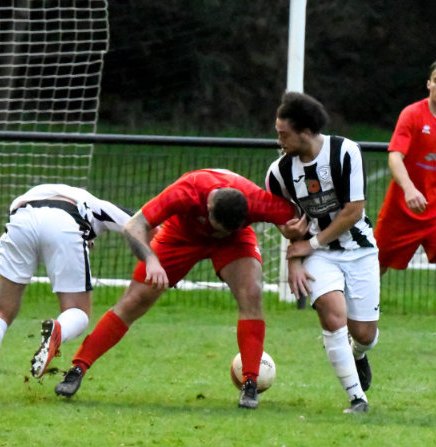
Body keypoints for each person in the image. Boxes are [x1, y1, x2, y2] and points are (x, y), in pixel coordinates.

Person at [53, 168, 304, 409]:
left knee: (251, 294)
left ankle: (250, 384)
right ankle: (77, 368)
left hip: (235, 241)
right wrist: (151, 260)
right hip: (182, 236)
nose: (217, 234)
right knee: (134, 301)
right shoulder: (187, 191)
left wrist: (293, 255)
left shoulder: (256, 201)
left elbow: (298, 218)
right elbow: (133, 226)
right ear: (207, 207)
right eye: (217, 228)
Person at [0, 184, 133, 399]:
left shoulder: (32, 202)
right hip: (66, 222)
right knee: (78, 311)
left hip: (21, 221)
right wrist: (155, 259)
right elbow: (141, 224)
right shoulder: (93, 204)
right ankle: (59, 330)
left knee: (0, 314)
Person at [266, 92, 380, 414]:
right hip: (319, 255)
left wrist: (310, 244)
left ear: (305, 132)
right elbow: (286, 223)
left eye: (284, 135)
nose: (279, 141)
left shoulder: (346, 152)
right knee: (332, 315)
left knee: (365, 334)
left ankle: (358, 354)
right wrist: (293, 248)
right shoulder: (278, 173)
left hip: (358, 249)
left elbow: (353, 211)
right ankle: (357, 399)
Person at [374, 58, 436, 357]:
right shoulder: (412, 115)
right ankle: (348, 328)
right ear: (428, 84)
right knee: (371, 270)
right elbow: (395, 156)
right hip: (399, 212)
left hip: (435, 213)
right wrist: (409, 189)